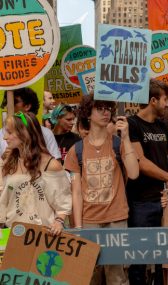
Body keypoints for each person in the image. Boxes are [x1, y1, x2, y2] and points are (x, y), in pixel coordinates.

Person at [64, 95, 139, 285]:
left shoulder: (118, 143)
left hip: (116, 218)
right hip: (89, 221)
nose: (106, 112)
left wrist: (127, 138)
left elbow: (134, 173)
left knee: (117, 277)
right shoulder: (76, 150)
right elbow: (77, 192)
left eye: (109, 108)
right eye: (100, 108)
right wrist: (78, 226)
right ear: (88, 113)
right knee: (89, 276)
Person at [126, 79, 168, 285]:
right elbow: (140, 161)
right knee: (139, 255)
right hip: (140, 201)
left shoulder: (163, 125)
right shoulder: (131, 124)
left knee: (165, 253)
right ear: (152, 100)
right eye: (165, 99)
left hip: (165, 200)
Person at [0, 112, 71, 236]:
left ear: (24, 134)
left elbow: (63, 202)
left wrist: (58, 221)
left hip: (41, 235)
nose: (5, 137)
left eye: (10, 133)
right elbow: (3, 199)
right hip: (12, 234)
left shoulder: (51, 164)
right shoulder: (8, 162)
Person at [0, 88, 61, 160]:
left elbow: (56, 161)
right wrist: (3, 160)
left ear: (27, 106)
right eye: (6, 102)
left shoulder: (45, 133)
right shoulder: (1, 133)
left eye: (14, 102)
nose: (7, 106)